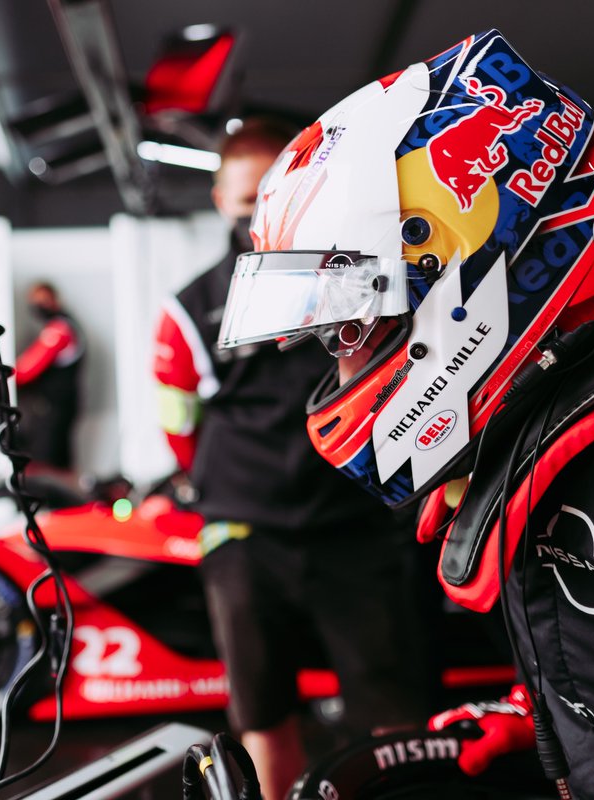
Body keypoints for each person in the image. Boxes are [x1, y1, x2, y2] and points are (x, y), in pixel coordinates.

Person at [215, 30, 594, 799]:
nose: (342, 368)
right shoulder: (542, 450)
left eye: (353, 331)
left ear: (480, 267)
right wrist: (541, 717)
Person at [153, 118, 432, 800]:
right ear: (220, 199)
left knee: (392, 710)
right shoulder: (190, 306)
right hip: (244, 530)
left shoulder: (364, 280)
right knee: (262, 714)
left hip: (355, 524)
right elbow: (177, 422)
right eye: (244, 198)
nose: (255, 212)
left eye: (269, 196)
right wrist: (208, 486)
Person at [14, 281, 84, 471]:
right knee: (57, 461)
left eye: (44, 300)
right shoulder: (61, 326)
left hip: (54, 408)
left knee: (48, 464)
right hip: (58, 406)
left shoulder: (59, 329)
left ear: (55, 300)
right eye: (35, 301)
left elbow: (24, 371)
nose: (39, 305)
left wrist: (5, 373)